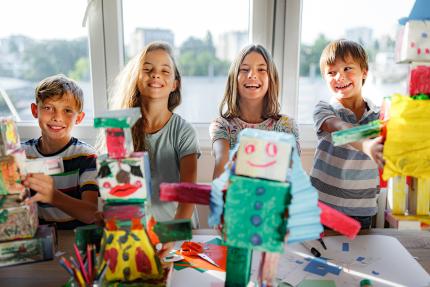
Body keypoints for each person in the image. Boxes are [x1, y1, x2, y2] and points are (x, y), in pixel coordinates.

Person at [109, 41, 200, 257]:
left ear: (174, 84)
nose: (155, 75)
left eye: (164, 71)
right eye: (147, 69)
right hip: (134, 233)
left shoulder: (183, 131)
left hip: (176, 234)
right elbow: (115, 187)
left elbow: (188, 192)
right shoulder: (120, 129)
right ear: (137, 80)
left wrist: (172, 235)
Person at [310, 39, 384, 229]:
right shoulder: (324, 109)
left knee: (360, 258)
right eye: (331, 72)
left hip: (361, 210)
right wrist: (367, 145)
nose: (339, 77)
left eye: (347, 69)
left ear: (364, 72)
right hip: (323, 208)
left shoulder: (378, 115)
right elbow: (340, 128)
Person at [210, 44, 300, 179]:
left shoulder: (287, 126)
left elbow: (293, 176)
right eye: (245, 69)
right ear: (234, 78)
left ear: (271, 78)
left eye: (262, 69)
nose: (252, 75)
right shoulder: (222, 126)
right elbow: (221, 166)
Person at [21, 74, 99, 229]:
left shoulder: (87, 157)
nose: (57, 117)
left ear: (79, 118)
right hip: (36, 242)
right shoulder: (21, 154)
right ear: (35, 110)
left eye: (67, 110)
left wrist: (52, 195)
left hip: (74, 241)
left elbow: (91, 214)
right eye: (48, 108)